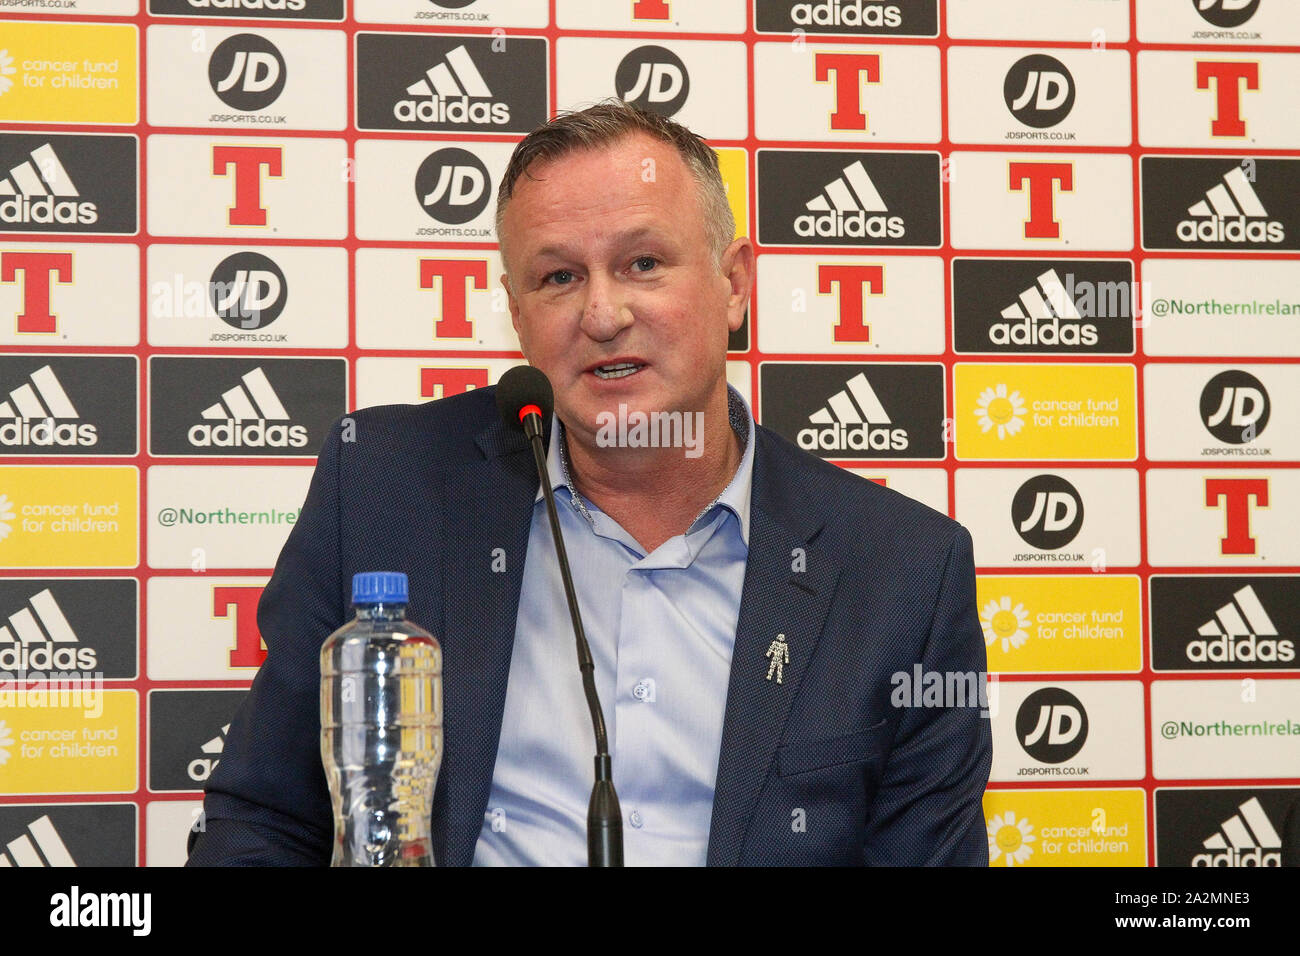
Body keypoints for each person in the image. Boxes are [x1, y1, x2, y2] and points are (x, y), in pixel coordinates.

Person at [188, 100, 991, 867]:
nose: (602, 315)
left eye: (643, 263)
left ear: (735, 283)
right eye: (559, 278)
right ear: (516, 310)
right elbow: (266, 819)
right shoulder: (385, 486)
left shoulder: (903, 574)